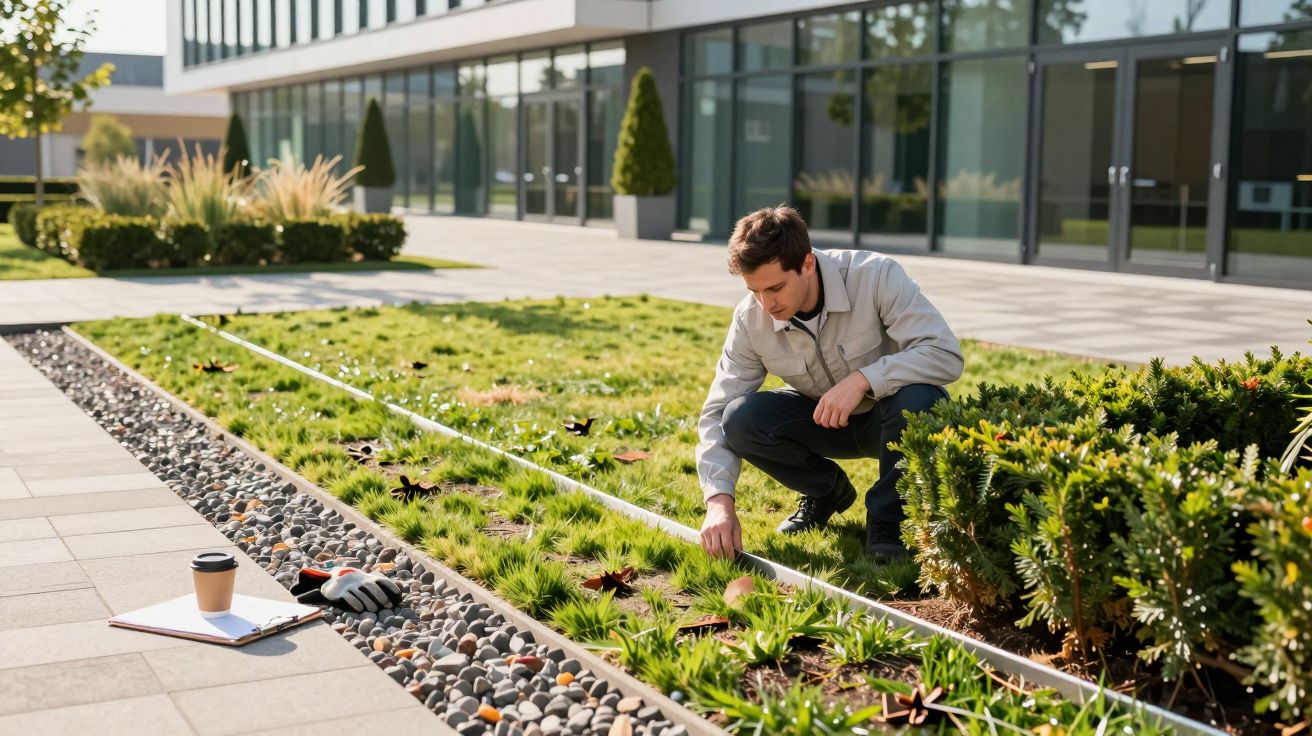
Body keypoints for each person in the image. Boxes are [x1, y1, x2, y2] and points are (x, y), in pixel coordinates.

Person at [696, 205, 964, 560]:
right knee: (738, 418)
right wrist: (718, 502)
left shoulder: (876, 277)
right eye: (755, 291)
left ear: (807, 263)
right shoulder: (750, 318)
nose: (766, 304)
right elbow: (715, 412)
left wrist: (864, 380)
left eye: (775, 287)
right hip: (822, 420)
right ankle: (826, 490)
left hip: (891, 418)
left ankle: (889, 521)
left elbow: (944, 353)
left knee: (921, 398)